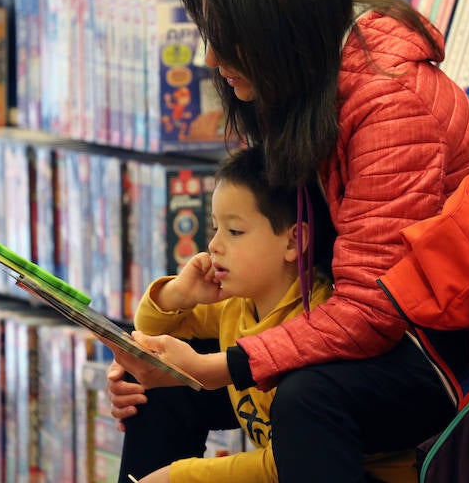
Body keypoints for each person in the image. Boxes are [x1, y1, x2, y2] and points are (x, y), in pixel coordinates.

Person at [106, 0, 469, 482]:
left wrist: (221, 365)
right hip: (340, 316)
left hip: (449, 351)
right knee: (157, 386)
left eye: (225, 40)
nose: (210, 61)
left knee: (304, 398)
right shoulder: (302, 84)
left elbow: (374, 313)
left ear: (278, 32)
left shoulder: (392, 105)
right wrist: (161, 355)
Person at [121, 145, 333, 483]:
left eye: (234, 232)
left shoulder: (317, 323)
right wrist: (180, 293)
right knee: (149, 378)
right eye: (215, 227)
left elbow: (292, 463)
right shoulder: (237, 302)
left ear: (294, 242)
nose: (215, 245)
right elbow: (152, 328)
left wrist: (176, 477)